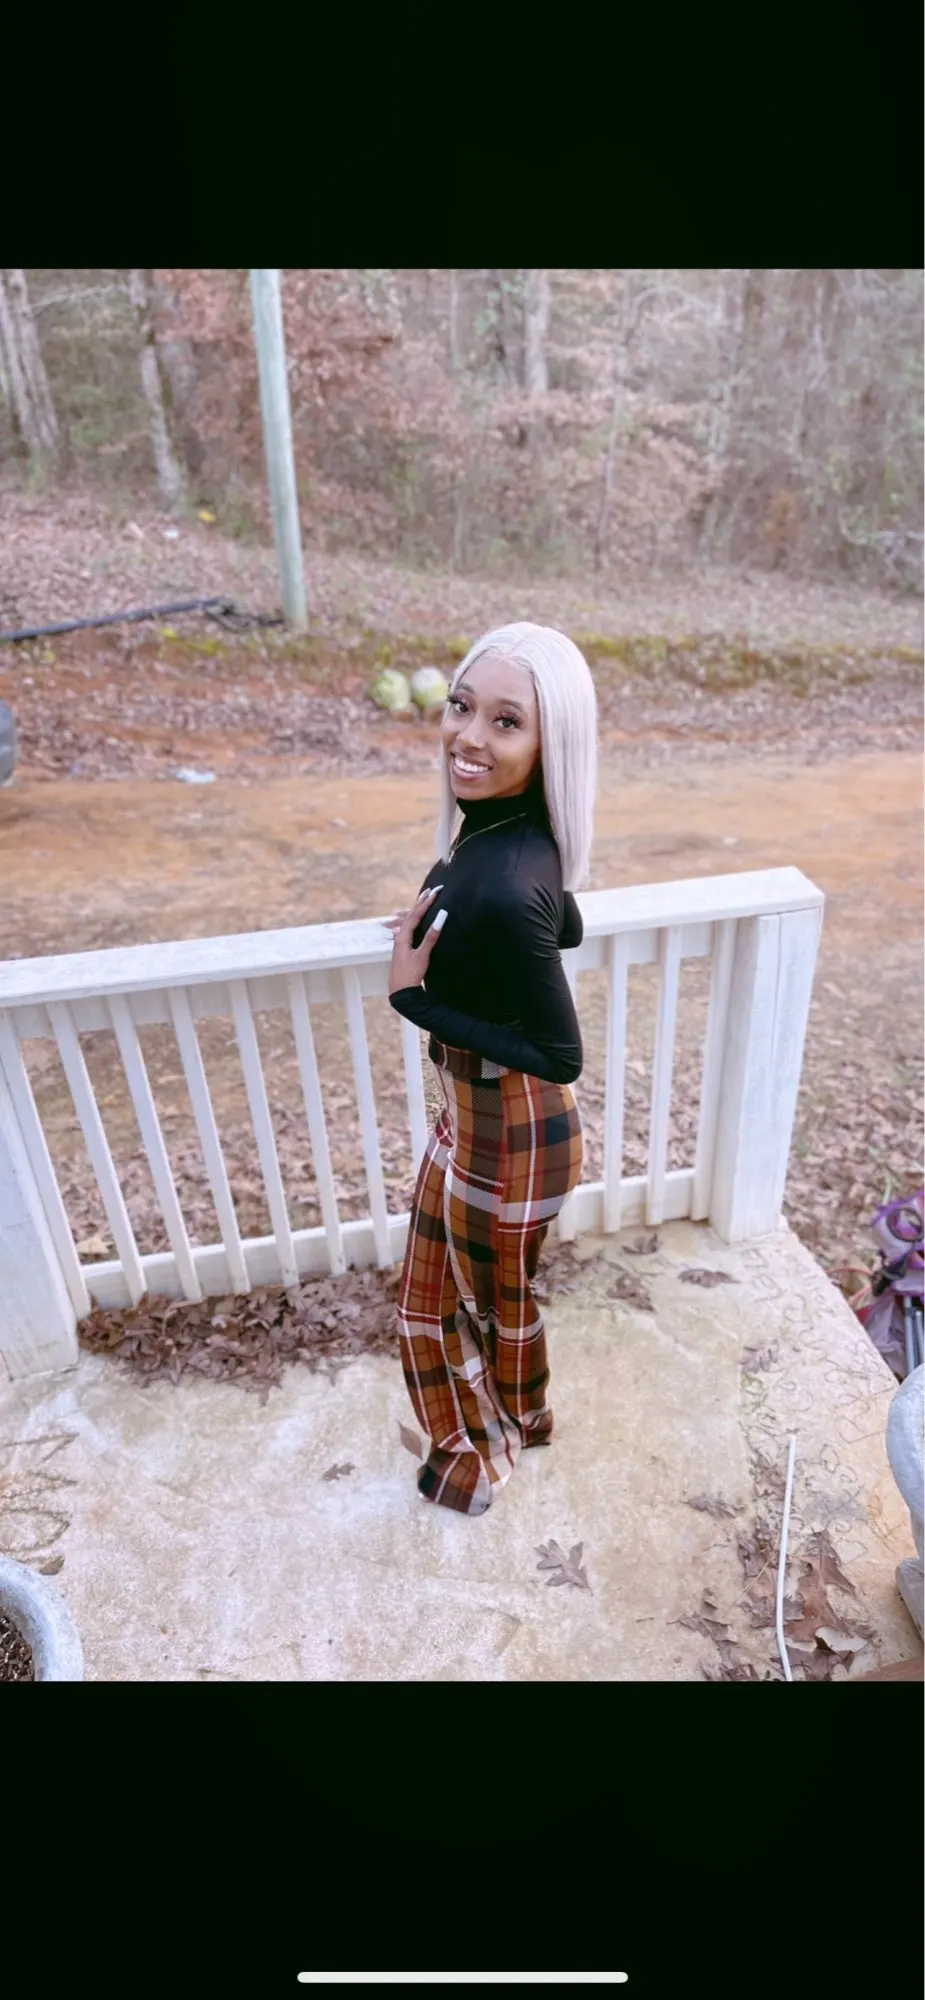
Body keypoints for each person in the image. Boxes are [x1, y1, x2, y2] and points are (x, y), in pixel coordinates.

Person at [382, 622, 598, 1516]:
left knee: (448, 1304)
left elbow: (561, 1054)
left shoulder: (508, 878)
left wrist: (414, 996)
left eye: (505, 722)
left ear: (550, 744)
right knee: (474, 1296)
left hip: (509, 1129)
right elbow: (566, 923)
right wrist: (449, 933)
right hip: (486, 1119)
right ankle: (522, 1419)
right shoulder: (515, 832)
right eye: (461, 706)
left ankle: (478, 1459)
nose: (467, 737)